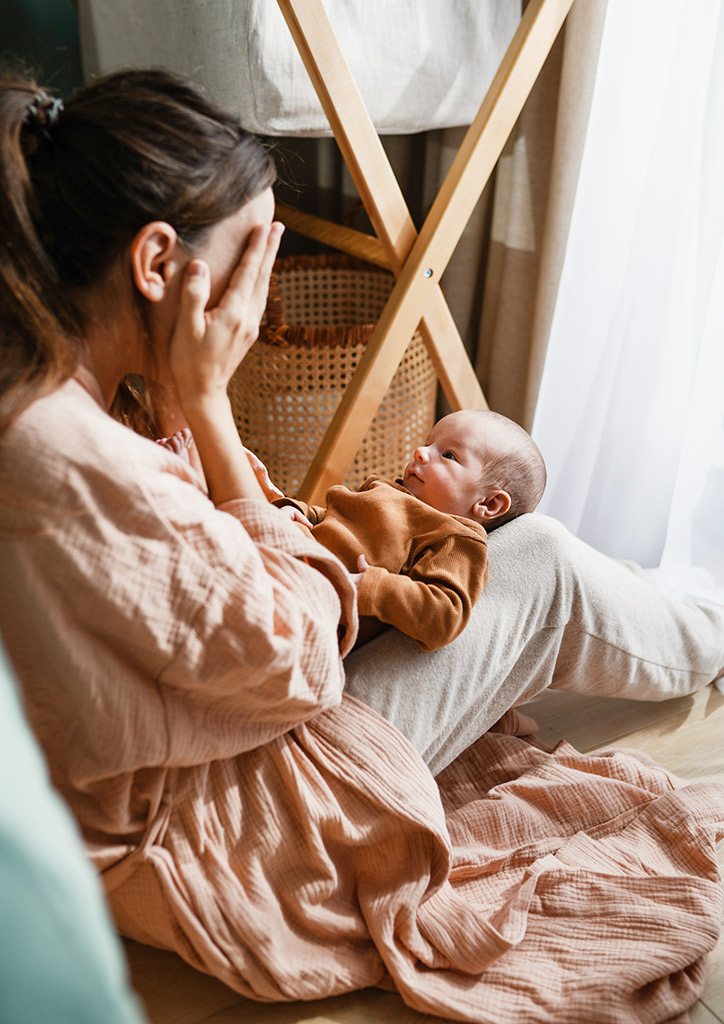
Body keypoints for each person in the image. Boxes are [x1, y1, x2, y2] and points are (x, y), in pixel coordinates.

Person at [1, 68, 723, 1023]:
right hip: (231, 837)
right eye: (255, 259)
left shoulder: (47, 375)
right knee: (540, 558)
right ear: (158, 265)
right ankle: (706, 627)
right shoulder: (65, 456)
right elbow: (300, 666)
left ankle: (669, 609)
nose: (255, 308)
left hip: (166, 785)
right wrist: (211, 410)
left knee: (524, 572)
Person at [161, 408, 546, 650]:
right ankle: (187, 478)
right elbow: (330, 515)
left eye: (448, 455)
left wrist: (373, 588)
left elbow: (444, 614)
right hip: (299, 546)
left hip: (322, 597)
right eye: (428, 443)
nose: (420, 453)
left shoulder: (455, 538)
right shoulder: (387, 490)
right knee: (238, 468)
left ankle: (189, 486)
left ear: (489, 504)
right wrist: (298, 513)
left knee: (226, 499)